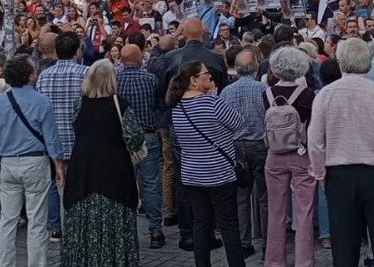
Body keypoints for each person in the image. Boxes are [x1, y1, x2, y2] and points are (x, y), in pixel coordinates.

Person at [308, 38, 374, 267]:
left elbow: (315, 142)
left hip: (340, 175)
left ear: (341, 63)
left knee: (344, 246)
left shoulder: (325, 95)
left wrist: (320, 173)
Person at [0, 54, 66, 267]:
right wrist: (58, 165)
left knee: (7, 221)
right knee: (37, 221)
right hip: (35, 162)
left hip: (8, 162)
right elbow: (51, 139)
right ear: (30, 76)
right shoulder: (42, 101)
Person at [60, 60, 143, 267]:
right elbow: (133, 137)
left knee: (83, 221)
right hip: (114, 171)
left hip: (83, 170)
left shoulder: (79, 103)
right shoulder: (120, 105)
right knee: (115, 221)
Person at [168, 60, 247, 267]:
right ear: (194, 80)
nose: (209, 77)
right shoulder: (211, 102)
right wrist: (214, 97)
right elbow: (238, 123)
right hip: (220, 174)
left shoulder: (177, 107)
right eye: (206, 74)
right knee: (229, 226)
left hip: (193, 175)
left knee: (201, 225)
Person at [262, 47, 317, 267]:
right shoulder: (307, 95)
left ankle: (274, 261)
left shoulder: (266, 93)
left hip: (274, 154)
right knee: (304, 211)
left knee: (276, 211)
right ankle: (304, 261)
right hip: (300, 153)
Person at [35, 31, 89, 241]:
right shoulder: (85, 73)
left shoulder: (44, 77)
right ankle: (74, 226)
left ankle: (56, 226)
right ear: (77, 51)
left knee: (54, 183)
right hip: (79, 139)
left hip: (52, 141)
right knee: (78, 186)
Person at [218, 46, 269, 257]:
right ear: (256, 69)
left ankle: (243, 242)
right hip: (259, 145)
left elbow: (221, 123)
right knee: (265, 197)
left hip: (236, 147)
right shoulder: (263, 90)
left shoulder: (226, 91)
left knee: (241, 196)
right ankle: (269, 243)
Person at [113, 45, 165, 247]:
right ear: (139, 59)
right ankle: (156, 232)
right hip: (148, 136)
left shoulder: (115, 81)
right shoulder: (151, 79)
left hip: (122, 138)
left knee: (124, 184)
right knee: (150, 184)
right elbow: (160, 106)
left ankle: (125, 231)